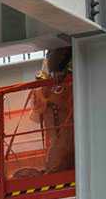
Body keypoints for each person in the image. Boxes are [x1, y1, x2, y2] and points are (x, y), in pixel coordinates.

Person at [28, 47, 74, 175]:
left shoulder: (73, 48)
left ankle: (60, 168)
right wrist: (55, 72)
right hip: (54, 105)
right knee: (61, 141)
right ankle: (51, 171)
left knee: (68, 141)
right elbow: (54, 53)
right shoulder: (62, 46)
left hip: (62, 105)